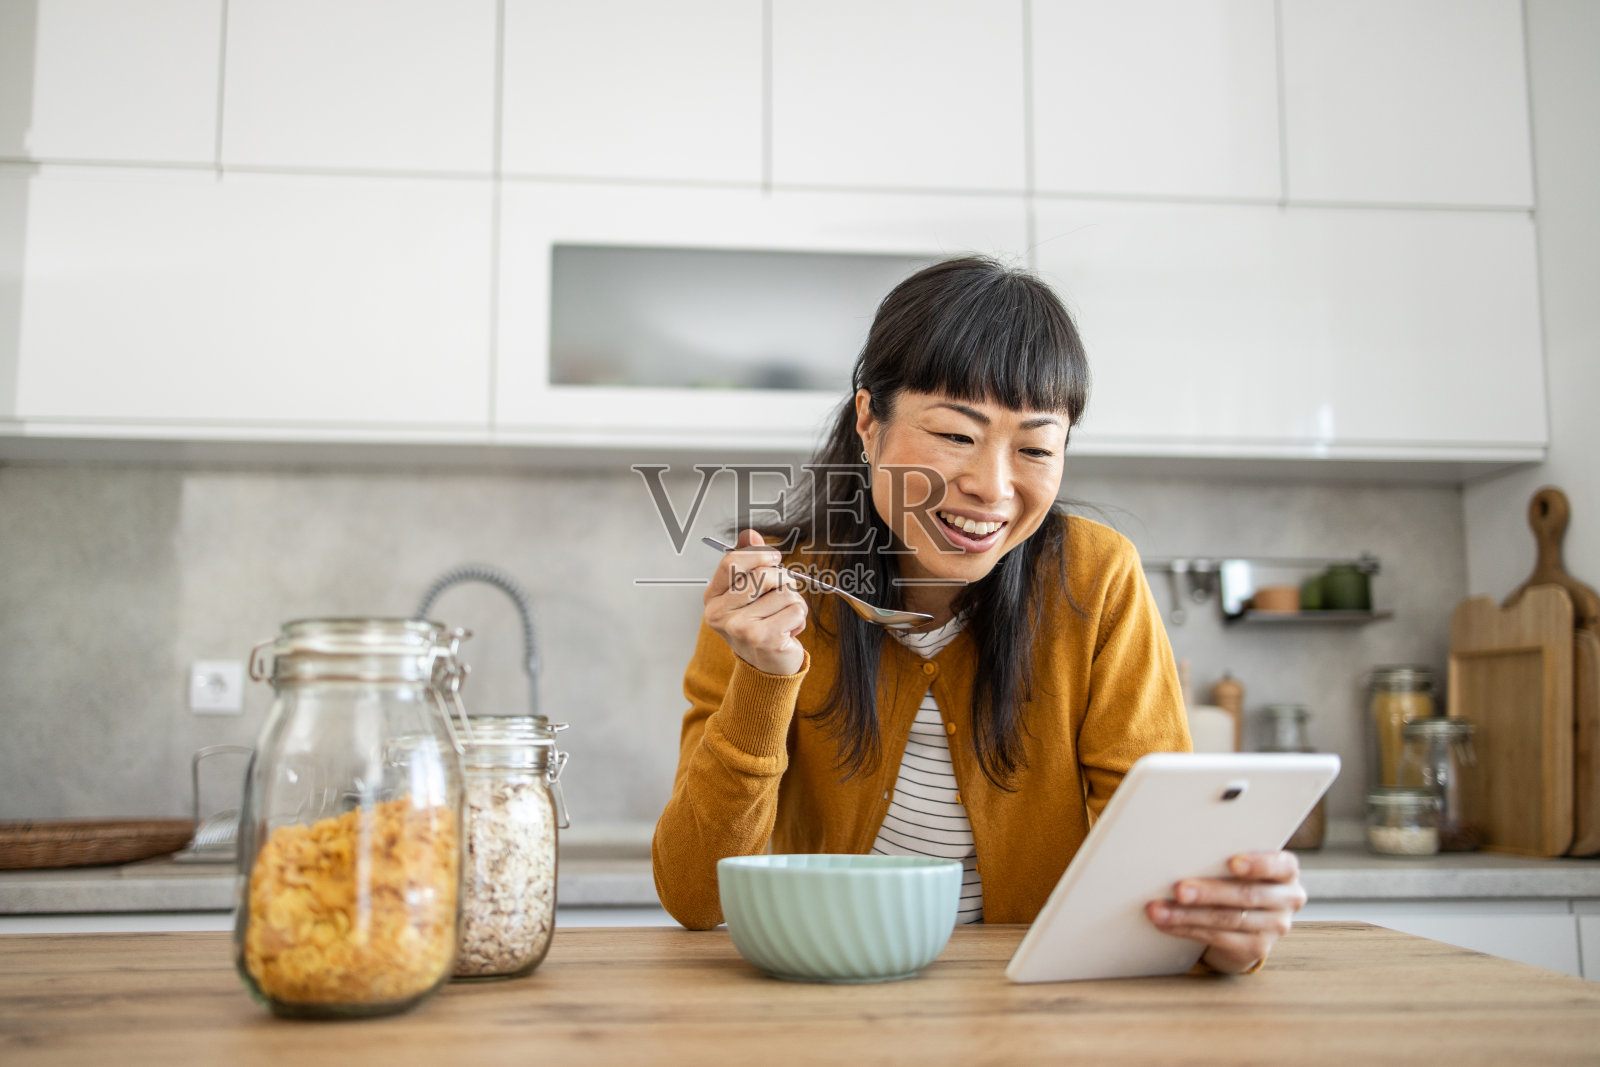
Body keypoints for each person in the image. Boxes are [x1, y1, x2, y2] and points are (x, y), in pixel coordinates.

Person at [652, 256, 1305, 974]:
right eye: (957, 435)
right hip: (820, 998)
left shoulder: (1096, 579)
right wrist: (764, 677)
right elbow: (695, 894)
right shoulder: (775, 589)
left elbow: (1163, 865)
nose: (991, 487)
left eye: (1033, 447)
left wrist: (1224, 930)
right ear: (869, 418)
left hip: (1032, 1010)